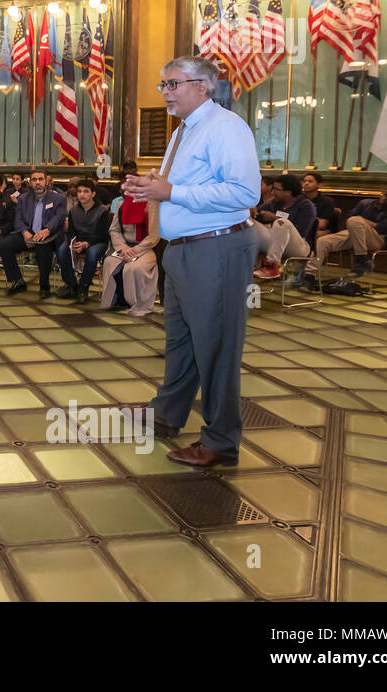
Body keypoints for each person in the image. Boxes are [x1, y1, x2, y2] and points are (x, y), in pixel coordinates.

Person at [124, 55, 260, 469]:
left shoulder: (226, 128)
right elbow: (182, 186)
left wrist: (172, 193)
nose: (165, 91)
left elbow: (244, 193)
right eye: (162, 84)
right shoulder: (184, 130)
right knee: (181, 340)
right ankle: (168, 413)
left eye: (173, 84)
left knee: (216, 346)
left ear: (204, 85)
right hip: (182, 248)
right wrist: (153, 186)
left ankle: (220, 442)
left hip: (215, 248)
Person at [298, 183, 387, 289]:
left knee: (356, 221)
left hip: (377, 238)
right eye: (384, 194)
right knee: (323, 241)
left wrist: (363, 223)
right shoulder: (365, 203)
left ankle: (361, 259)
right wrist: (361, 224)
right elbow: (349, 219)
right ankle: (309, 275)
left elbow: (384, 228)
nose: (384, 198)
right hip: (354, 234)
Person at [0, 170, 66, 297]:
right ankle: (18, 281)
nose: (37, 183)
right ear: (29, 182)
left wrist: (47, 230)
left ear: (46, 182)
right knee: (4, 244)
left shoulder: (58, 198)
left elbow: (59, 217)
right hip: (28, 233)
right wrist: (25, 234)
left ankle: (44, 286)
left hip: (49, 235)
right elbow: (18, 219)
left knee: (43, 248)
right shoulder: (23, 198)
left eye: (40, 179)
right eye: (34, 180)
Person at [101, 194, 159, 318]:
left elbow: (154, 236)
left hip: (144, 248)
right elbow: (114, 230)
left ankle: (138, 304)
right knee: (109, 262)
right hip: (124, 247)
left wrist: (135, 250)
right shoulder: (121, 206)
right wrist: (123, 248)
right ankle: (115, 300)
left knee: (135, 268)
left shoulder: (152, 207)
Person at [252, 174, 316, 279]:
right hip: (277, 244)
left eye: (276, 189)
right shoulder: (275, 203)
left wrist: (274, 218)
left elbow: (301, 232)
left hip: (299, 247)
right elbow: (258, 213)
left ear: (288, 192)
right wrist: (253, 210)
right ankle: (246, 264)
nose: (273, 192)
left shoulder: (306, 206)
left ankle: (272, 265)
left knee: (282, 223)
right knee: (250, 222)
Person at [57, 179, 111, 303]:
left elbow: (103, 234)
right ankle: (71, 285)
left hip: (97, 241)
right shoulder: (74, 211)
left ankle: (83, 288)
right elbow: (71, 232)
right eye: (79, 191)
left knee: (91, 255)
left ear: (93, 194)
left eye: (86, 192)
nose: (82, 194)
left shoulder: (102, 211)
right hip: (79, 240)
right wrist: (73, 242)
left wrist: (87, 244)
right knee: (61, 250)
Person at [300, 172, 336, 240]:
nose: (306, 183)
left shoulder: (327, 201)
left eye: (310, 181)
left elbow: (322, 225)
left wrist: (299, 221)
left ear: (319, 185)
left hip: (322, 231)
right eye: (304, 181)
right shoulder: (298, 199)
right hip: (301, 227)